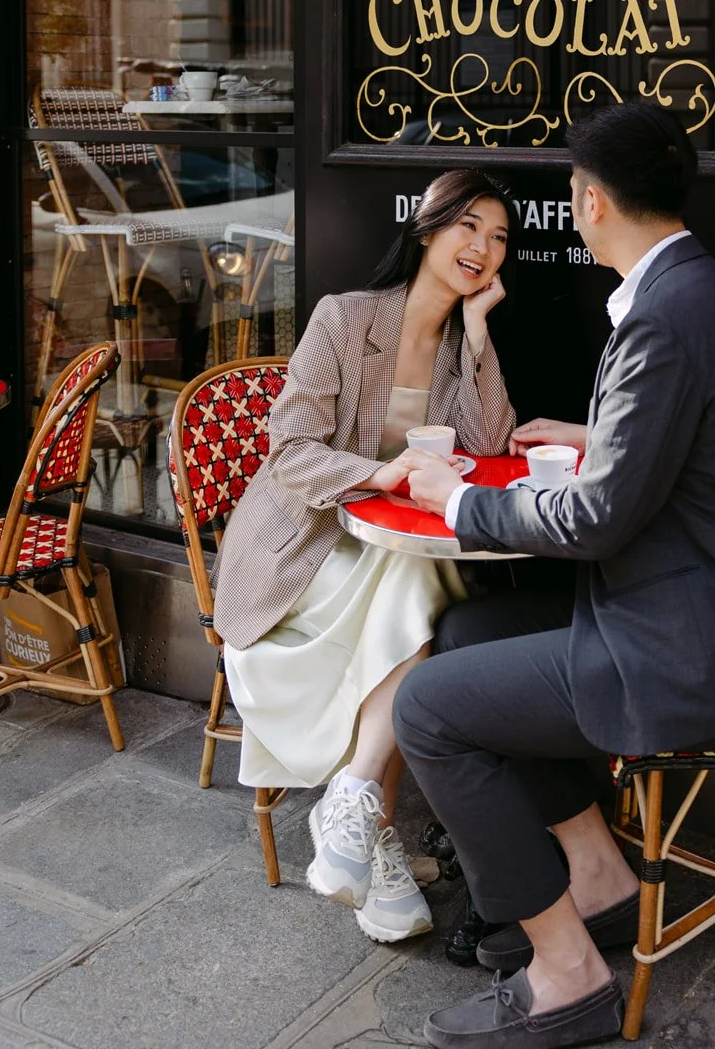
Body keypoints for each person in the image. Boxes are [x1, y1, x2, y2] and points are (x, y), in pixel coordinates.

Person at [386, 103, 715, 1049]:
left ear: (587, 203)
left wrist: (456, 500)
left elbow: (594, 520)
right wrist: (603, 438)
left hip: (695, 641)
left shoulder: (665, 318)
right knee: (467, 634)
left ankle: (565, 972)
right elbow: (714, 443)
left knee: (427, 709)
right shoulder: (713, 291)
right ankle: (599, 878)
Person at [211, 169, 516, 945]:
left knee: (418, 576)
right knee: (424, 586)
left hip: (384, 559)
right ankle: (362, 821)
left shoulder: (457, 349)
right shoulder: (344, 319)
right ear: (426, 230)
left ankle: (355, 814)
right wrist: (378, 475)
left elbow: (483, 451)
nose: (482, 248)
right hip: (302, 550)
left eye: (500, 237)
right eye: (467, 227)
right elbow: (291, 453)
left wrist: (478, 336)